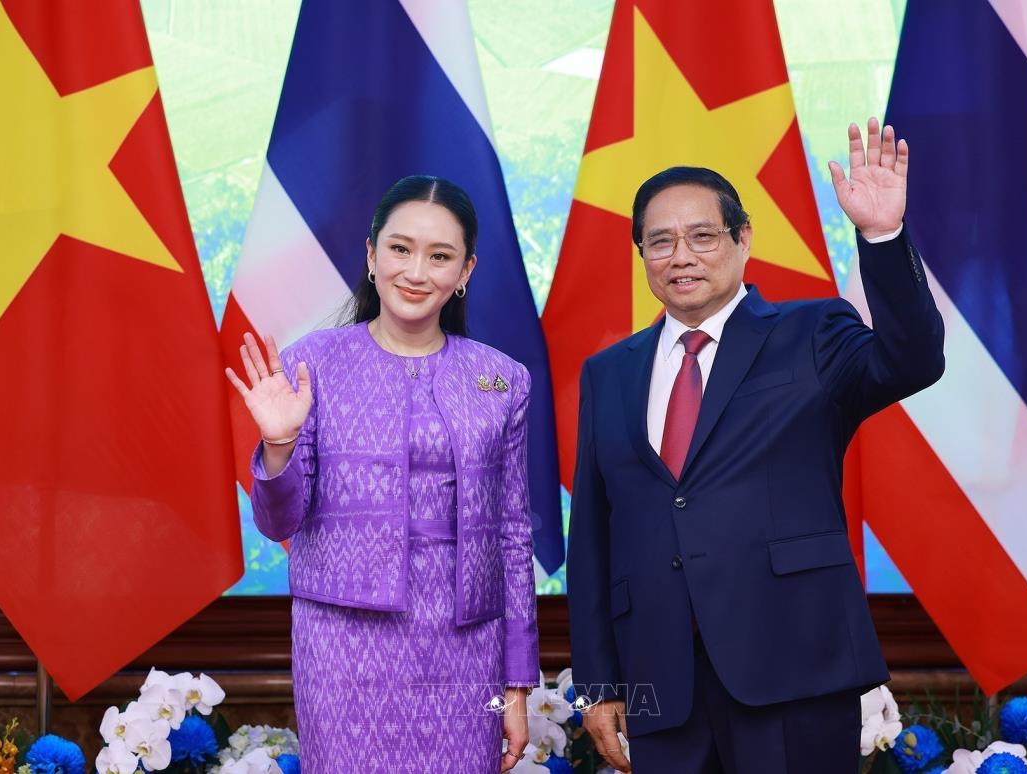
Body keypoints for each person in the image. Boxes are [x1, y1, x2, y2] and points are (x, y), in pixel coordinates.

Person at [566, 118, 945, 773]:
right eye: (661, 241)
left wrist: (882, 237)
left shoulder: (812, 331)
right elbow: (595, 537)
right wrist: (598, 686)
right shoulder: (609, 373)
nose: (681, 256)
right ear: (642, 255)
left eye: (703, 235)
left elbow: (912, 360)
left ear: (743, 239)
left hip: (794, 665)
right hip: (660, 684)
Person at [226, 175, 540, 773]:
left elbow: (512, 535)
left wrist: (517, 684)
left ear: (466, 270)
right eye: (400, 248)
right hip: (341, 646)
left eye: (440, 256)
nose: (416, 272)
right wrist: (278, 442)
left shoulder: (502, 379)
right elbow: (278, 523)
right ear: (372, 255)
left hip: (465, 650)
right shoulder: (311, 364)